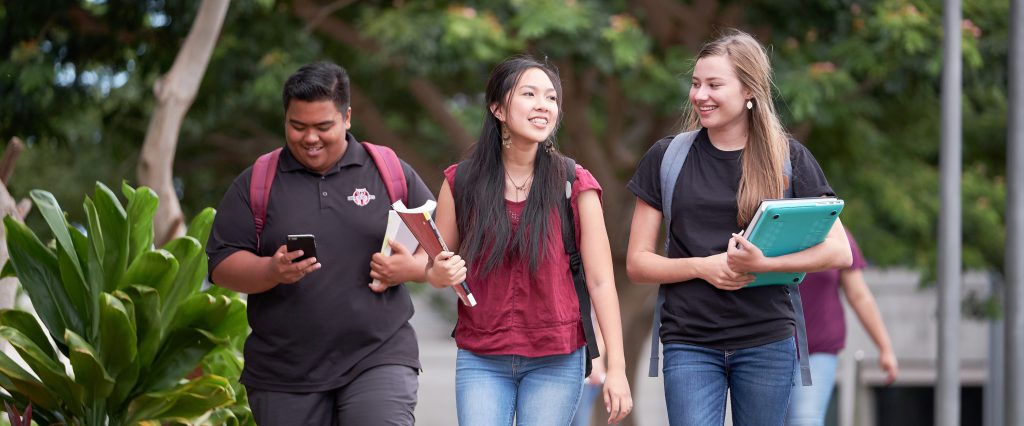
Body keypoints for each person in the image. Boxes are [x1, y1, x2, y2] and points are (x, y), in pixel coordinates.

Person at [625, 29, 853, 426]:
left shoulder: (789, 158)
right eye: (696, 84)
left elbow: (839, 252)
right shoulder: (667, 157)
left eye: (714, 84)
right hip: (689, 341)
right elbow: (638, 263)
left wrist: (763, 265)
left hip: (767, 340)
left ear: (749, 90)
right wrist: (703, 266)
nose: (700, 95)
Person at [206, 61, 434, 426]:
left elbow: (439, 242)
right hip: (284, 372)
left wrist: (411, 269)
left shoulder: (388, 171)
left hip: (378, 354)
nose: (310, 138)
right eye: (298, 127)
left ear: (346, 118)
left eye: (322, 126)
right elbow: (221, 265)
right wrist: (271, 270)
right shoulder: (257, 182)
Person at [425, 56, 633, 425]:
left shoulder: (574, 183)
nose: (544, 105)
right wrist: (440, 273)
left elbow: (601, 282)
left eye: (551, 98)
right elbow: (438, 265)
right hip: (482, 355)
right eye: (529, 94)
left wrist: (615, 368)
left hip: (557, 356)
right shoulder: (461, 182)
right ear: (497, 108)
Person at [786, 231, 899, 426]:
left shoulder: (837, 235)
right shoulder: (774, 225)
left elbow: (859, 296)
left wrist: (885, 348)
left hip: (817, 349)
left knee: (805, 419)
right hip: (767, 346)